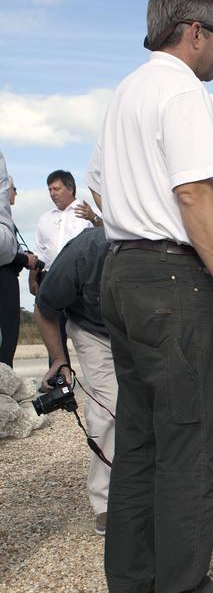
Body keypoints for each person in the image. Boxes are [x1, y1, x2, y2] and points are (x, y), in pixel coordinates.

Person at [88, 0, 213, 593]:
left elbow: (100, 192)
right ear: (193, 32)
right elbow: (194, 196)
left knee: (140, 436)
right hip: (170, 278)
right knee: (191, 436)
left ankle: (131, 577)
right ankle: (185, 591)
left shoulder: (125, 92)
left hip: (120, 271)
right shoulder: (182, 90)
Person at [34, 227, 116, 534]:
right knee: (109, 405)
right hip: (94, 331)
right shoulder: (85, 252)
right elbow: (45, 308)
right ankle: (106, 502)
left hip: (142, 332)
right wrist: (59, 359)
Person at [0, 171, 39, 366]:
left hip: (8, 276)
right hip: (4, 277)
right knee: (7, 334)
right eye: (14, 189)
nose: (16, 193)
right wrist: (25, 259)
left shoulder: (8, 220)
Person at [29, 170, 90, 294]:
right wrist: (32, 279)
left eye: (56, 189)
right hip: (47, 279)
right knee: (43, 314)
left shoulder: (88, 214)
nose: (52, 193)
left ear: (70, 189)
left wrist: (95, 219)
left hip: (81, 281)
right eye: (50, 190)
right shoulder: (45, 219)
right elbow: (39, 252)